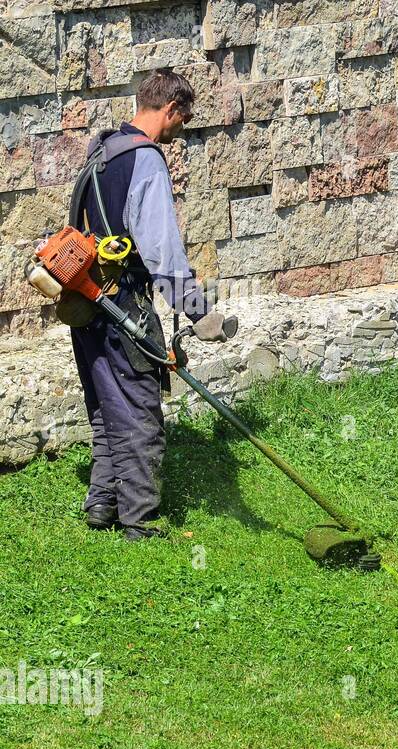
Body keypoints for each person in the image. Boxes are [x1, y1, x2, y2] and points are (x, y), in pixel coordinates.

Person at [66, 69, 236, 540]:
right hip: (124, 307)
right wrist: (200, 311)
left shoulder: (100, 152)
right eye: (186, 116)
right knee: (140, 409)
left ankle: (102, 502)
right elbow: (162, 250)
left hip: (85, 302)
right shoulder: (145, 160)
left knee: (106, 406)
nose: (184, 126)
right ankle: (138, 520)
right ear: (172, 110)